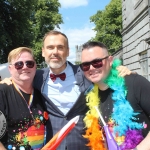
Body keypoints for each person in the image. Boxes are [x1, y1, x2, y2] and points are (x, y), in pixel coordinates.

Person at [0, 31, 132, 150]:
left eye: (60, 47)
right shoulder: (37, 76)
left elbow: (104, 73)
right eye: (50, 47)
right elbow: (21, 76)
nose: (55, 52)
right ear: (43, 52)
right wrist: (7, 81)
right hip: (52, 144)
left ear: (68, 52)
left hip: (83, 144)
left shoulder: (86, 72)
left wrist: (118, 70)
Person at [80, 41, 150, 150]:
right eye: (85, 65)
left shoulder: (134, 83)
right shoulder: (89, 99)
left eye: (97, 62)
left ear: (110, 60)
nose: (91, 68)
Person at [0, 47, 50, 150]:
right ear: (10, 69)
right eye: (19, 64)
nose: (25, 67)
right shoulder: (2, 92)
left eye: (29, 63)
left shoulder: (43, 91)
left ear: (35, 66)